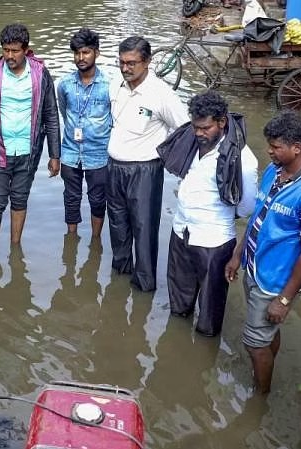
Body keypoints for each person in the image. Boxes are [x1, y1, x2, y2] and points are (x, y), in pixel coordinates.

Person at [225, 111, 301, 393]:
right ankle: (265, 362)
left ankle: (260, 396)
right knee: (265, 333)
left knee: (254, 342)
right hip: (256, 266)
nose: (269, 151)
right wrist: (238, 254)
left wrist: (284, 300)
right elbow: (257, 218)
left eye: (276, 147)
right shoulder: (275, 171)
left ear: (297, 147)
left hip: (276, 281)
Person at [160, 90, 258, 336]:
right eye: (196, 127)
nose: (199, 133)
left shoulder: (243, 159)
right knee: (178, 300)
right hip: (182, 231)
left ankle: (204, 356)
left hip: (213, 241)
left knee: (210, 312)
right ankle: (176, 343)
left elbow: (246, 207)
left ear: (222, 122)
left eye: (205, 128)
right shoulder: (190, 143)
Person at [0, 23, 61, 259]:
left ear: (26, 49)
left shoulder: (40, 73)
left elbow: (51, 113)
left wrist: (54, 154)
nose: (9, 56)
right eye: (5, 50)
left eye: (14, 51)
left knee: (20, 200)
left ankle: (15, 250)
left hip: (28, 151)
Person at [106, 36, 188, 292]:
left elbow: (185, 129)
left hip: (145, 171)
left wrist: (169, 161)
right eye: (122, 62)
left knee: (144, 228)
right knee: (118, 226)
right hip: (115, 167)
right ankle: (119, 279)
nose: (126, 68)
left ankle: (144, 286)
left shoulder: (161, 94)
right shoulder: (115, 85)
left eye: (132, 63)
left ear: (148, 62)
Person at [57, 28, 112, 238]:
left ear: (96, 53)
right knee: (71, 197)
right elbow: (64, 111)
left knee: (98, 199)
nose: (81, 58)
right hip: (71, 151)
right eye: (77, 53)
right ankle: (71, 238)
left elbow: (113, 119)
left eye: (86, 52)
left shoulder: (109, 85)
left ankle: (95, 240)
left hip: (99, 154)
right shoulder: (65, 84)